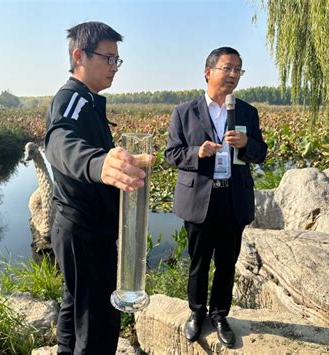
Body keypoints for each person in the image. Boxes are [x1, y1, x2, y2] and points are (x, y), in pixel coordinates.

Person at [44, 22, 152, 354]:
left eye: (118, 60)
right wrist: (100, 164)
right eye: (108, 58)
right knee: (99, 322)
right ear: (79, 56)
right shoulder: (72, 99)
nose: (114, 67)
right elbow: (60, 142)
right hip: (85, 232)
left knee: (75, 301)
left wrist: (114, 162)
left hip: (76, 227)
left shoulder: (88, 100)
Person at [164, 47, 267, 348]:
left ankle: (220, 315)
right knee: (198, 262)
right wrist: (197, 152)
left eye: (239, 69)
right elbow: (171, 154)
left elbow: (261, 154)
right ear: (208, 72)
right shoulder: (184, 112)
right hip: (199, 200)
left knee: (226, 263)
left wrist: (248, 143)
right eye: (227, 68)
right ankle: (196, 313)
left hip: (233, 200)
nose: (233, 74)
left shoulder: (247, 112)